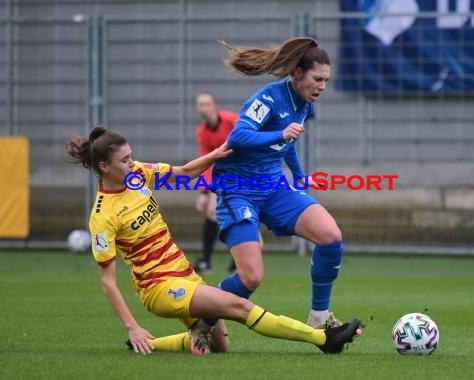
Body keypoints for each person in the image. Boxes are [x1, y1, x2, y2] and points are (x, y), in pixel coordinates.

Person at [65, 125, 362, 356]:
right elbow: (107, 281)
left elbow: (183, 172)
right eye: (125, 159)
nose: (133, 162)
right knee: (239, 307)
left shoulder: (137, 175)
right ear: (104, 167)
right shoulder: (102, 216)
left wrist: (215, 154)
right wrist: (132, 327)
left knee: (220, 345)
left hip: (185, 275)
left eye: (131, 156)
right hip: (159, 288)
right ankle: (322, 338)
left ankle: (152, 345)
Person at [213, 37, 346, 329]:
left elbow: (288, 142)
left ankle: (319, 318)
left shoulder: (305, 105)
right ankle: (205, 308)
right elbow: (237, 138)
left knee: (331, 237)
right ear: (297, 73)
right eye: (318, 79)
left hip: (274, 188)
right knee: (251, 278)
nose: (323, 86)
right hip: (238, 192)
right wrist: (281, 134)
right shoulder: (268, 98)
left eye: (327, 80)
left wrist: (298, 175)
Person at [193, 92, 238, 274]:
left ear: (214, 105)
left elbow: (246, 139)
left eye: (207, 104)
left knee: (237, 214)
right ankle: (205, 261)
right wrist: (204, 193)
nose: (204, 108)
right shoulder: (202, 133)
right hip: (221, 177)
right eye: (201, 105)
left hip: (240, 173)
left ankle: (238, 260)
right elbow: (205, 162)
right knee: (211, 213)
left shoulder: (231, 120)